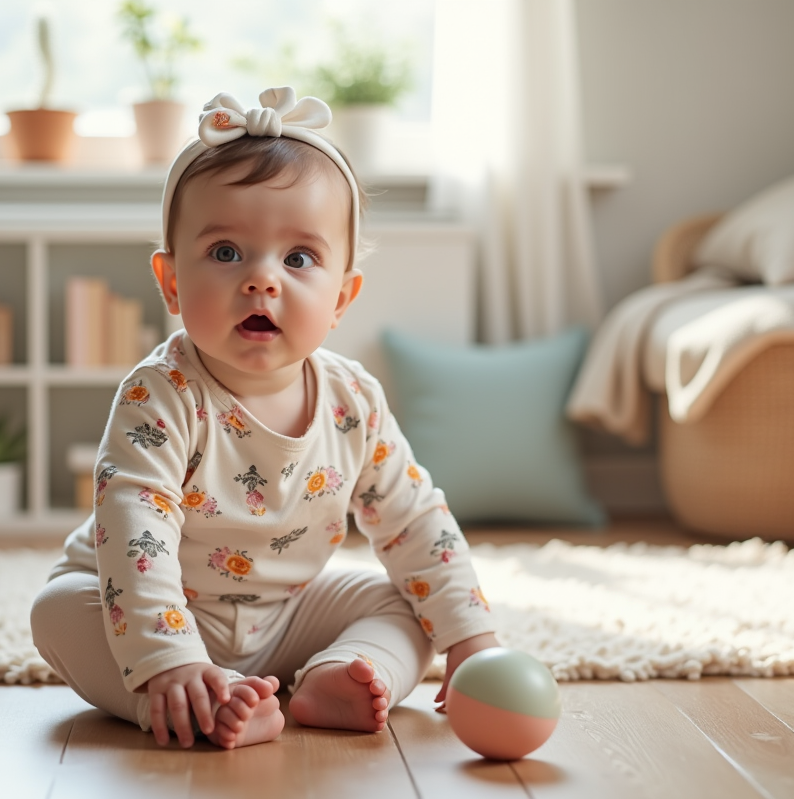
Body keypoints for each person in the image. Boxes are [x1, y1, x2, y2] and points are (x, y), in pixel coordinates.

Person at [31, 87, 499, 750]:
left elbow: (414, 519)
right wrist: (170, 657)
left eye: (298, 258)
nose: (262, 280)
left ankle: (337, 677)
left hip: (286, 615)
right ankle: (189, 700)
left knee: (408, 607)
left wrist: (471, 638)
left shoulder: (353, 400)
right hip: (145, 606)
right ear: (170, 283)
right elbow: (135, 526)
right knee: (55, 613)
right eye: (226, 253)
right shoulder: (159, 395)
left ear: (341, 298)